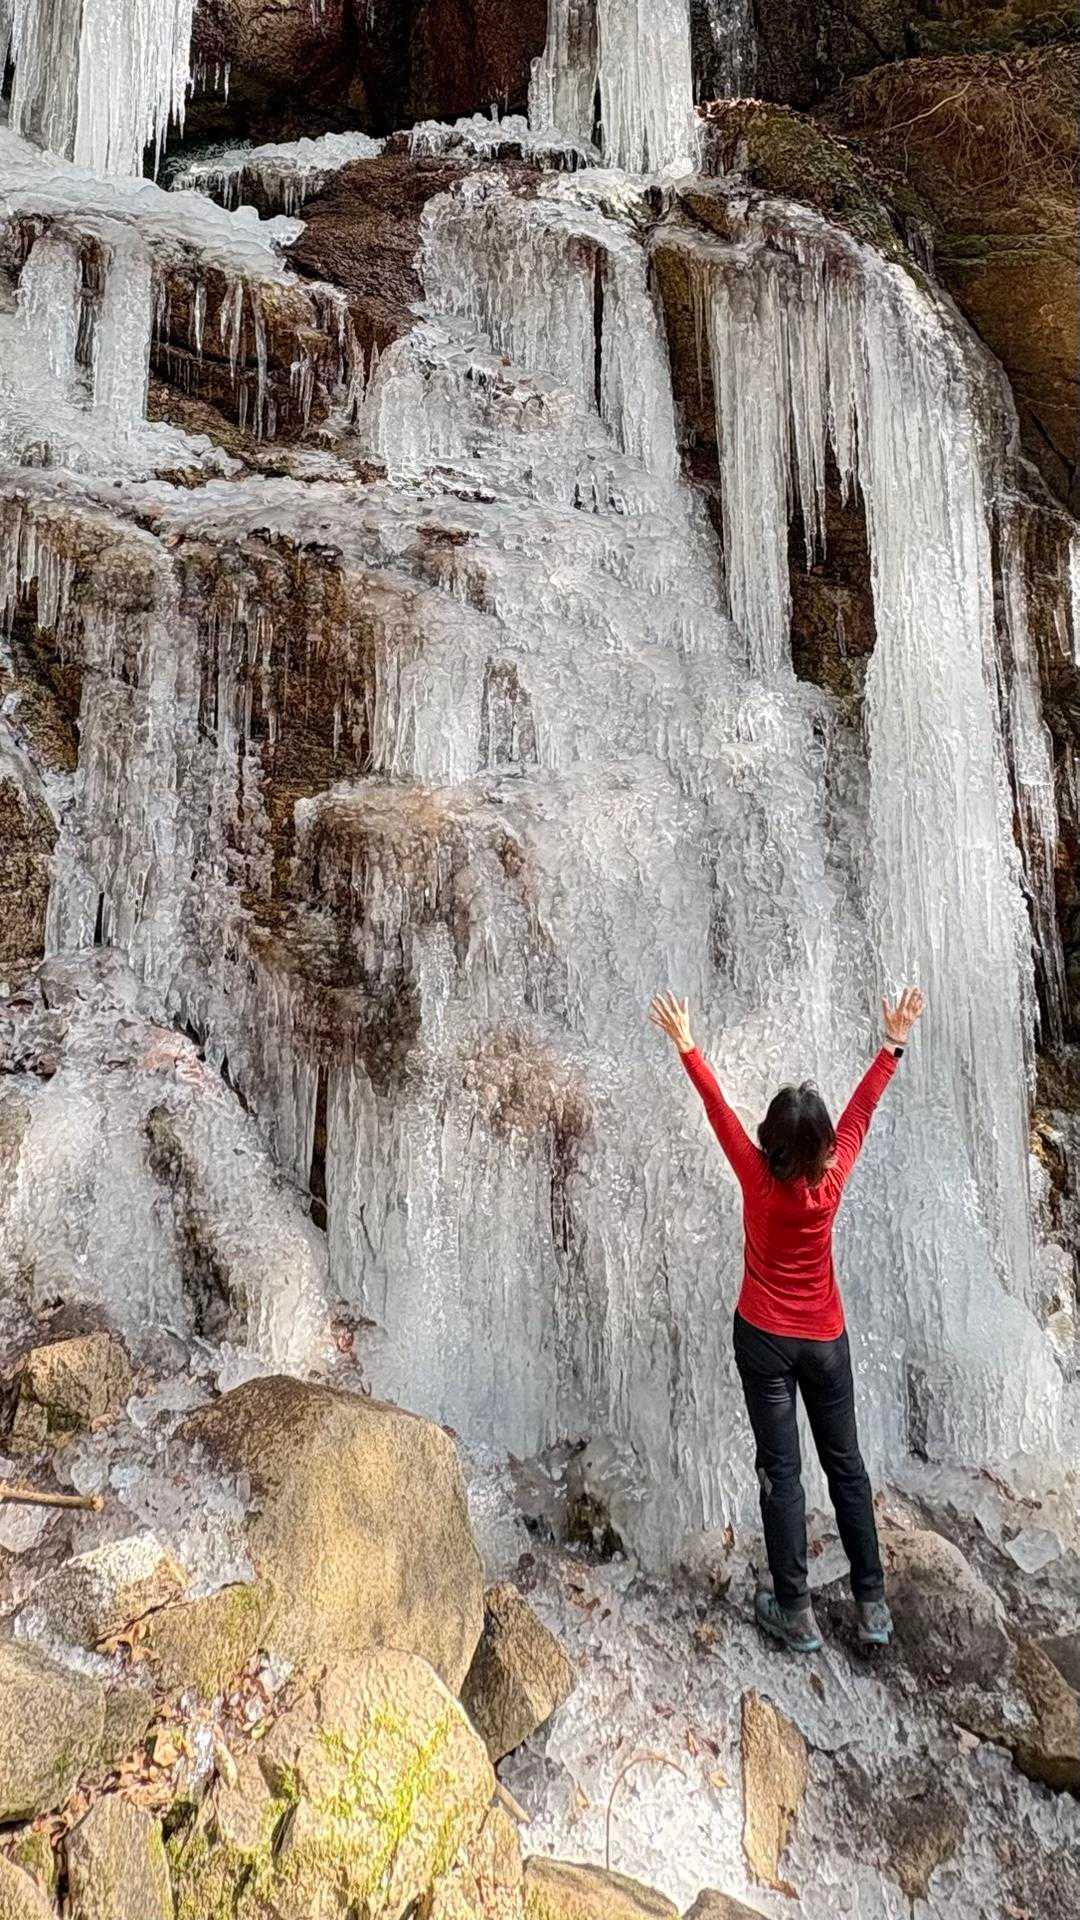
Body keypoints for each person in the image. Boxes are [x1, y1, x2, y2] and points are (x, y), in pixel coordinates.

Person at [649, 986, 925, 1654]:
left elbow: (716, 1110)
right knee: (848, 1470)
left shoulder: (756, 1176)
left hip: (765, 1341)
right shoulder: (832, 1177)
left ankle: (794, 1609)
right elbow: (863, 1107)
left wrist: (686, 1043)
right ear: (826, 1143)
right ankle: (871, 1606)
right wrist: (892, 1042)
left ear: (770, 1141)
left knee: (782, 1472)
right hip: (825, 1341)